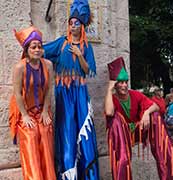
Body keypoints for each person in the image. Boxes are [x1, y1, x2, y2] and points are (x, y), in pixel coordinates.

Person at [43, 0, 99, 179]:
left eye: (76, 23)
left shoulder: (86, 47)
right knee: (67, 134)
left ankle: (88, 175)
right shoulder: (61, 43)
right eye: (70, 23)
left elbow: (87, 70)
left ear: (82, 27)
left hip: (80, 94)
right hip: (64, 95)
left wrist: (79, 54)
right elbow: (41, 51)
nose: (73, 26)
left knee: (85, 135)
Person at [104, 57, 173, 180]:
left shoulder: (134, 94)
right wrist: (109, 88)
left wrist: (146, 113)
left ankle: (168, 172)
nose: (124, 85)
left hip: (139, 130)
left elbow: (155, 106)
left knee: (154, 116)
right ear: (115, 84)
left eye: (125, 82)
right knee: (115, 121)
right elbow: (108, 112)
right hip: (120, 136)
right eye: (120, 82)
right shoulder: (112, 98)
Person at [9, 26, 56, 180]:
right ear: (27, 49)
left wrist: (45, 111)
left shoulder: (48, 65)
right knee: (30, 139)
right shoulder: (19, 67)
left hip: (42, 110)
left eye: (39, 46)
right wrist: (24, 115)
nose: (37, 49)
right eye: (33, 46)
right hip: (26, 112)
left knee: (46, 133)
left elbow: (49, 89)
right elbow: (17, 94)